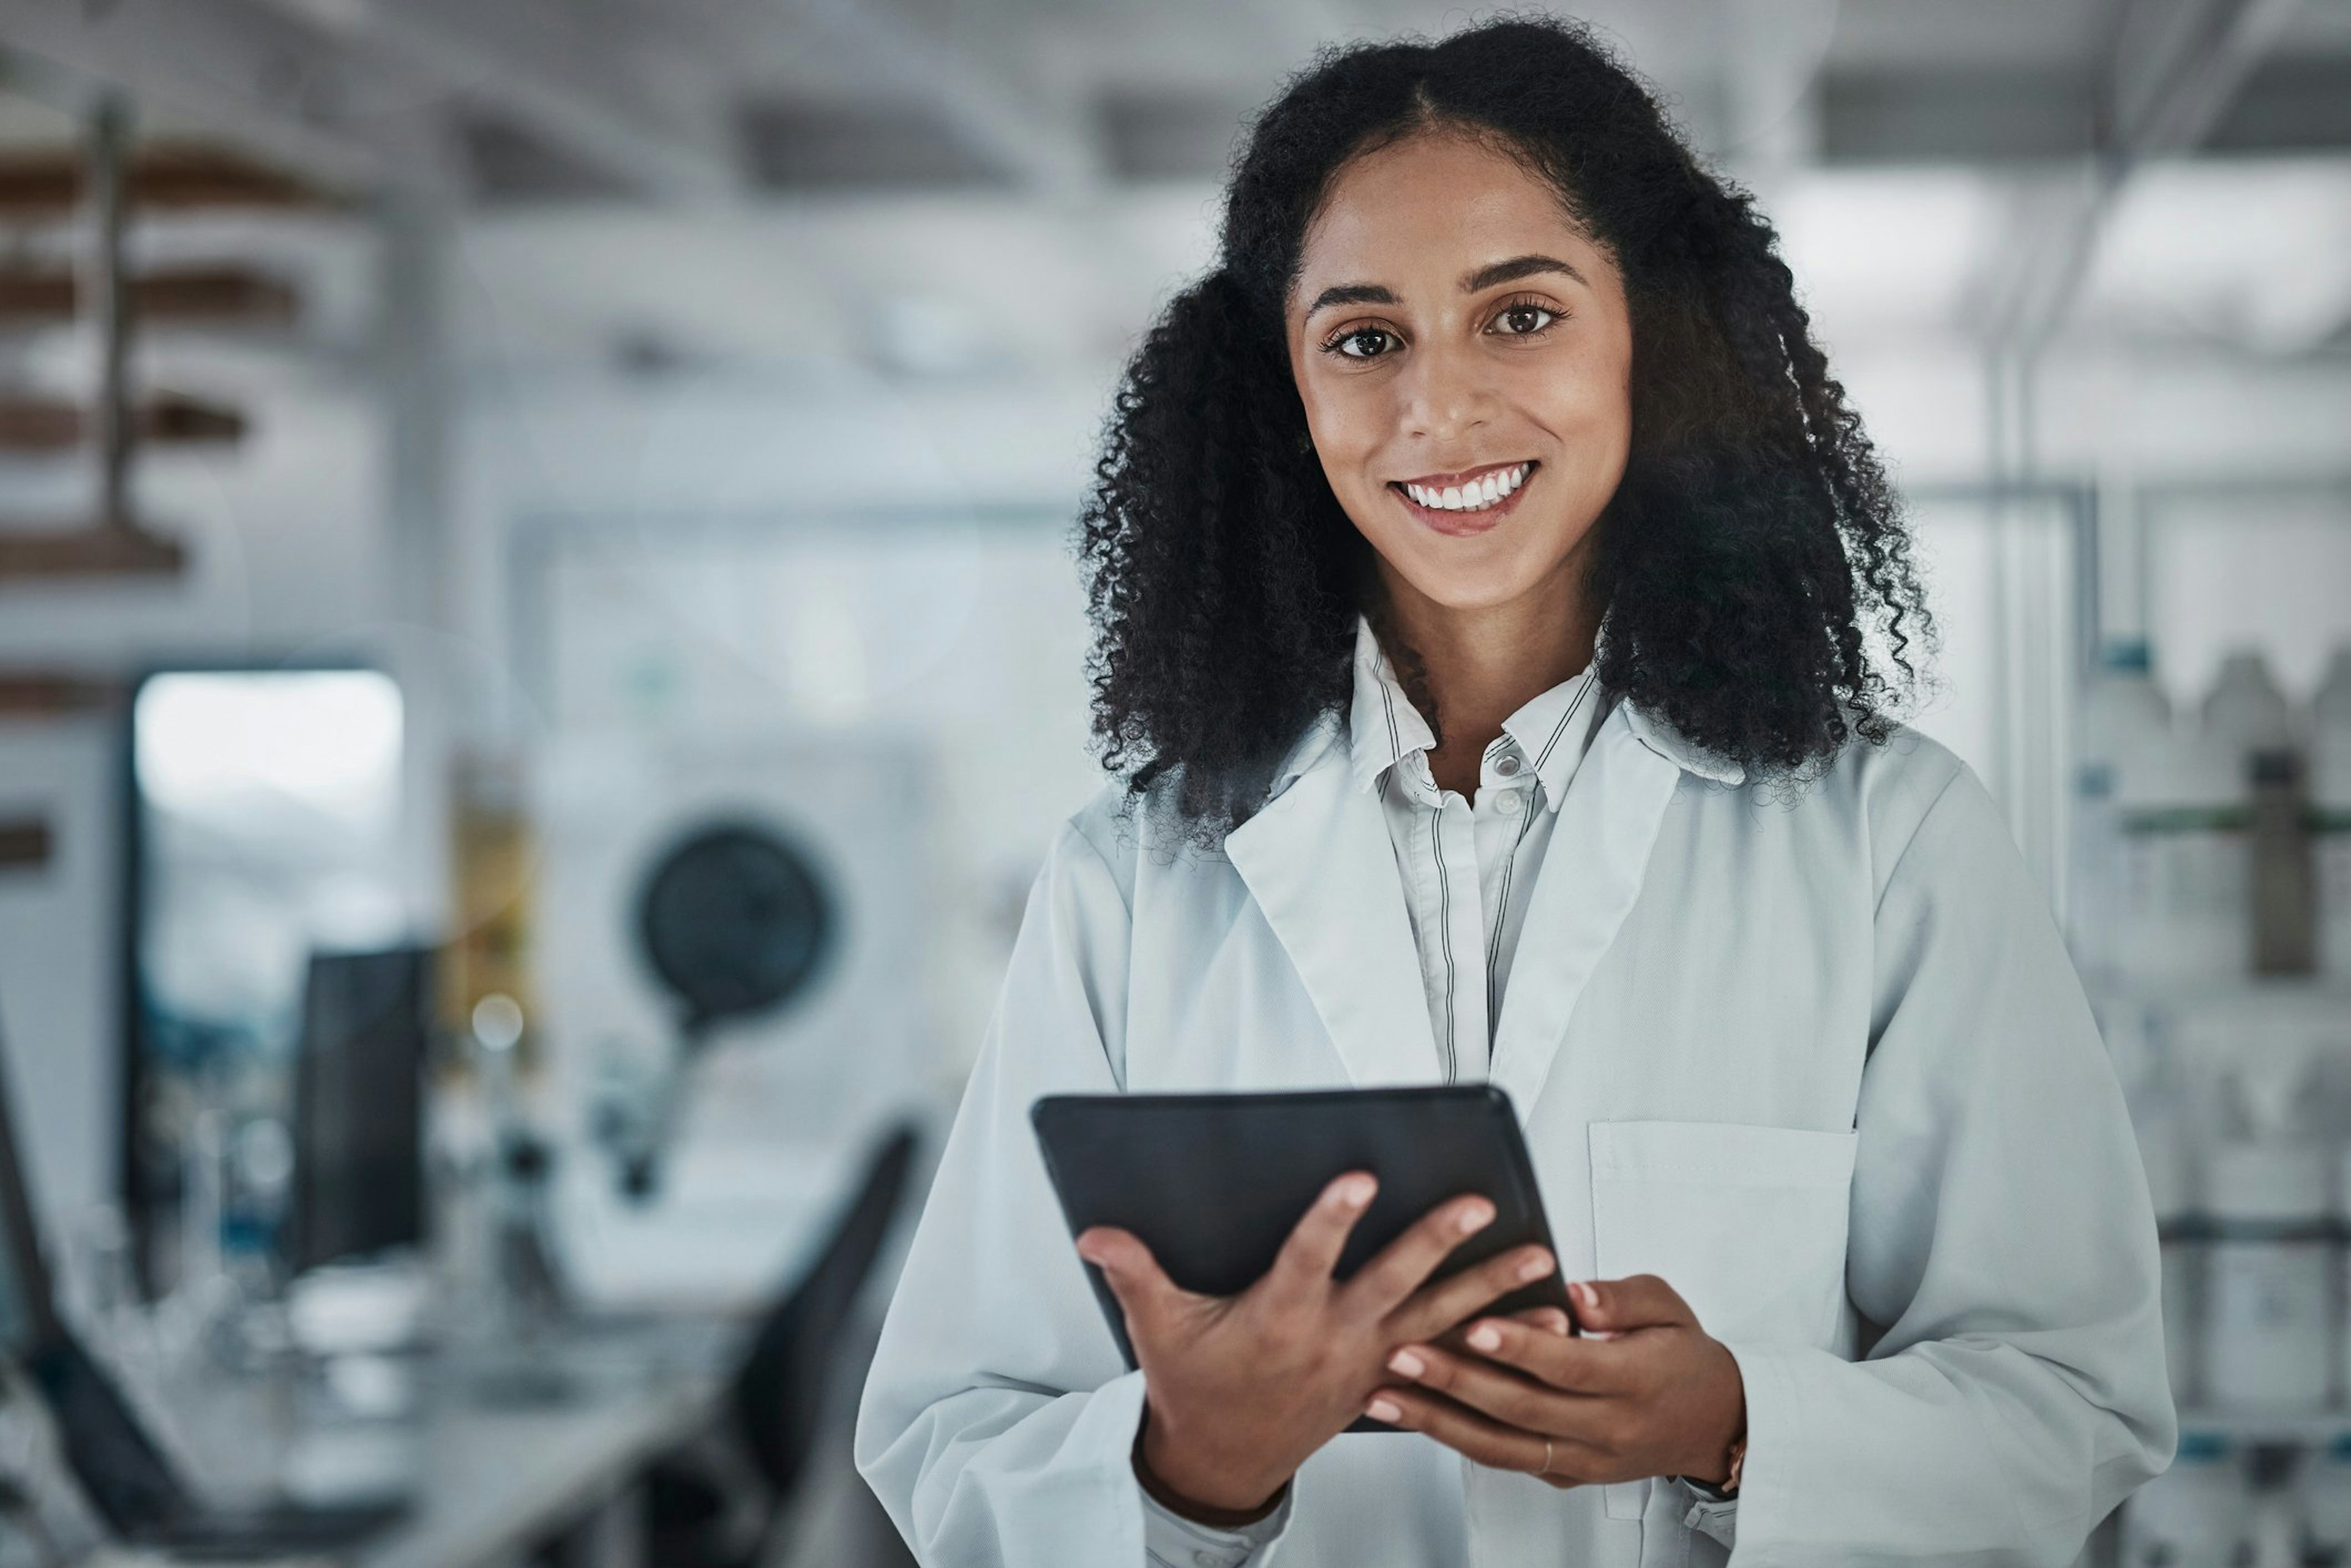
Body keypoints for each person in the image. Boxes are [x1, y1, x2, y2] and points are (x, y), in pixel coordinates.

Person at [855, 16, 2175, 1566]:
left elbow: (2072, 1399)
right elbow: (949, 1437)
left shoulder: (1893, 842)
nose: (1439, 408)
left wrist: (1738, 1428)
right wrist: (1182, 1472)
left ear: (1651, 338)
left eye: (1520, 315)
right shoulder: (1136, 876)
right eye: (1363, 337)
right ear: (1287, 386)